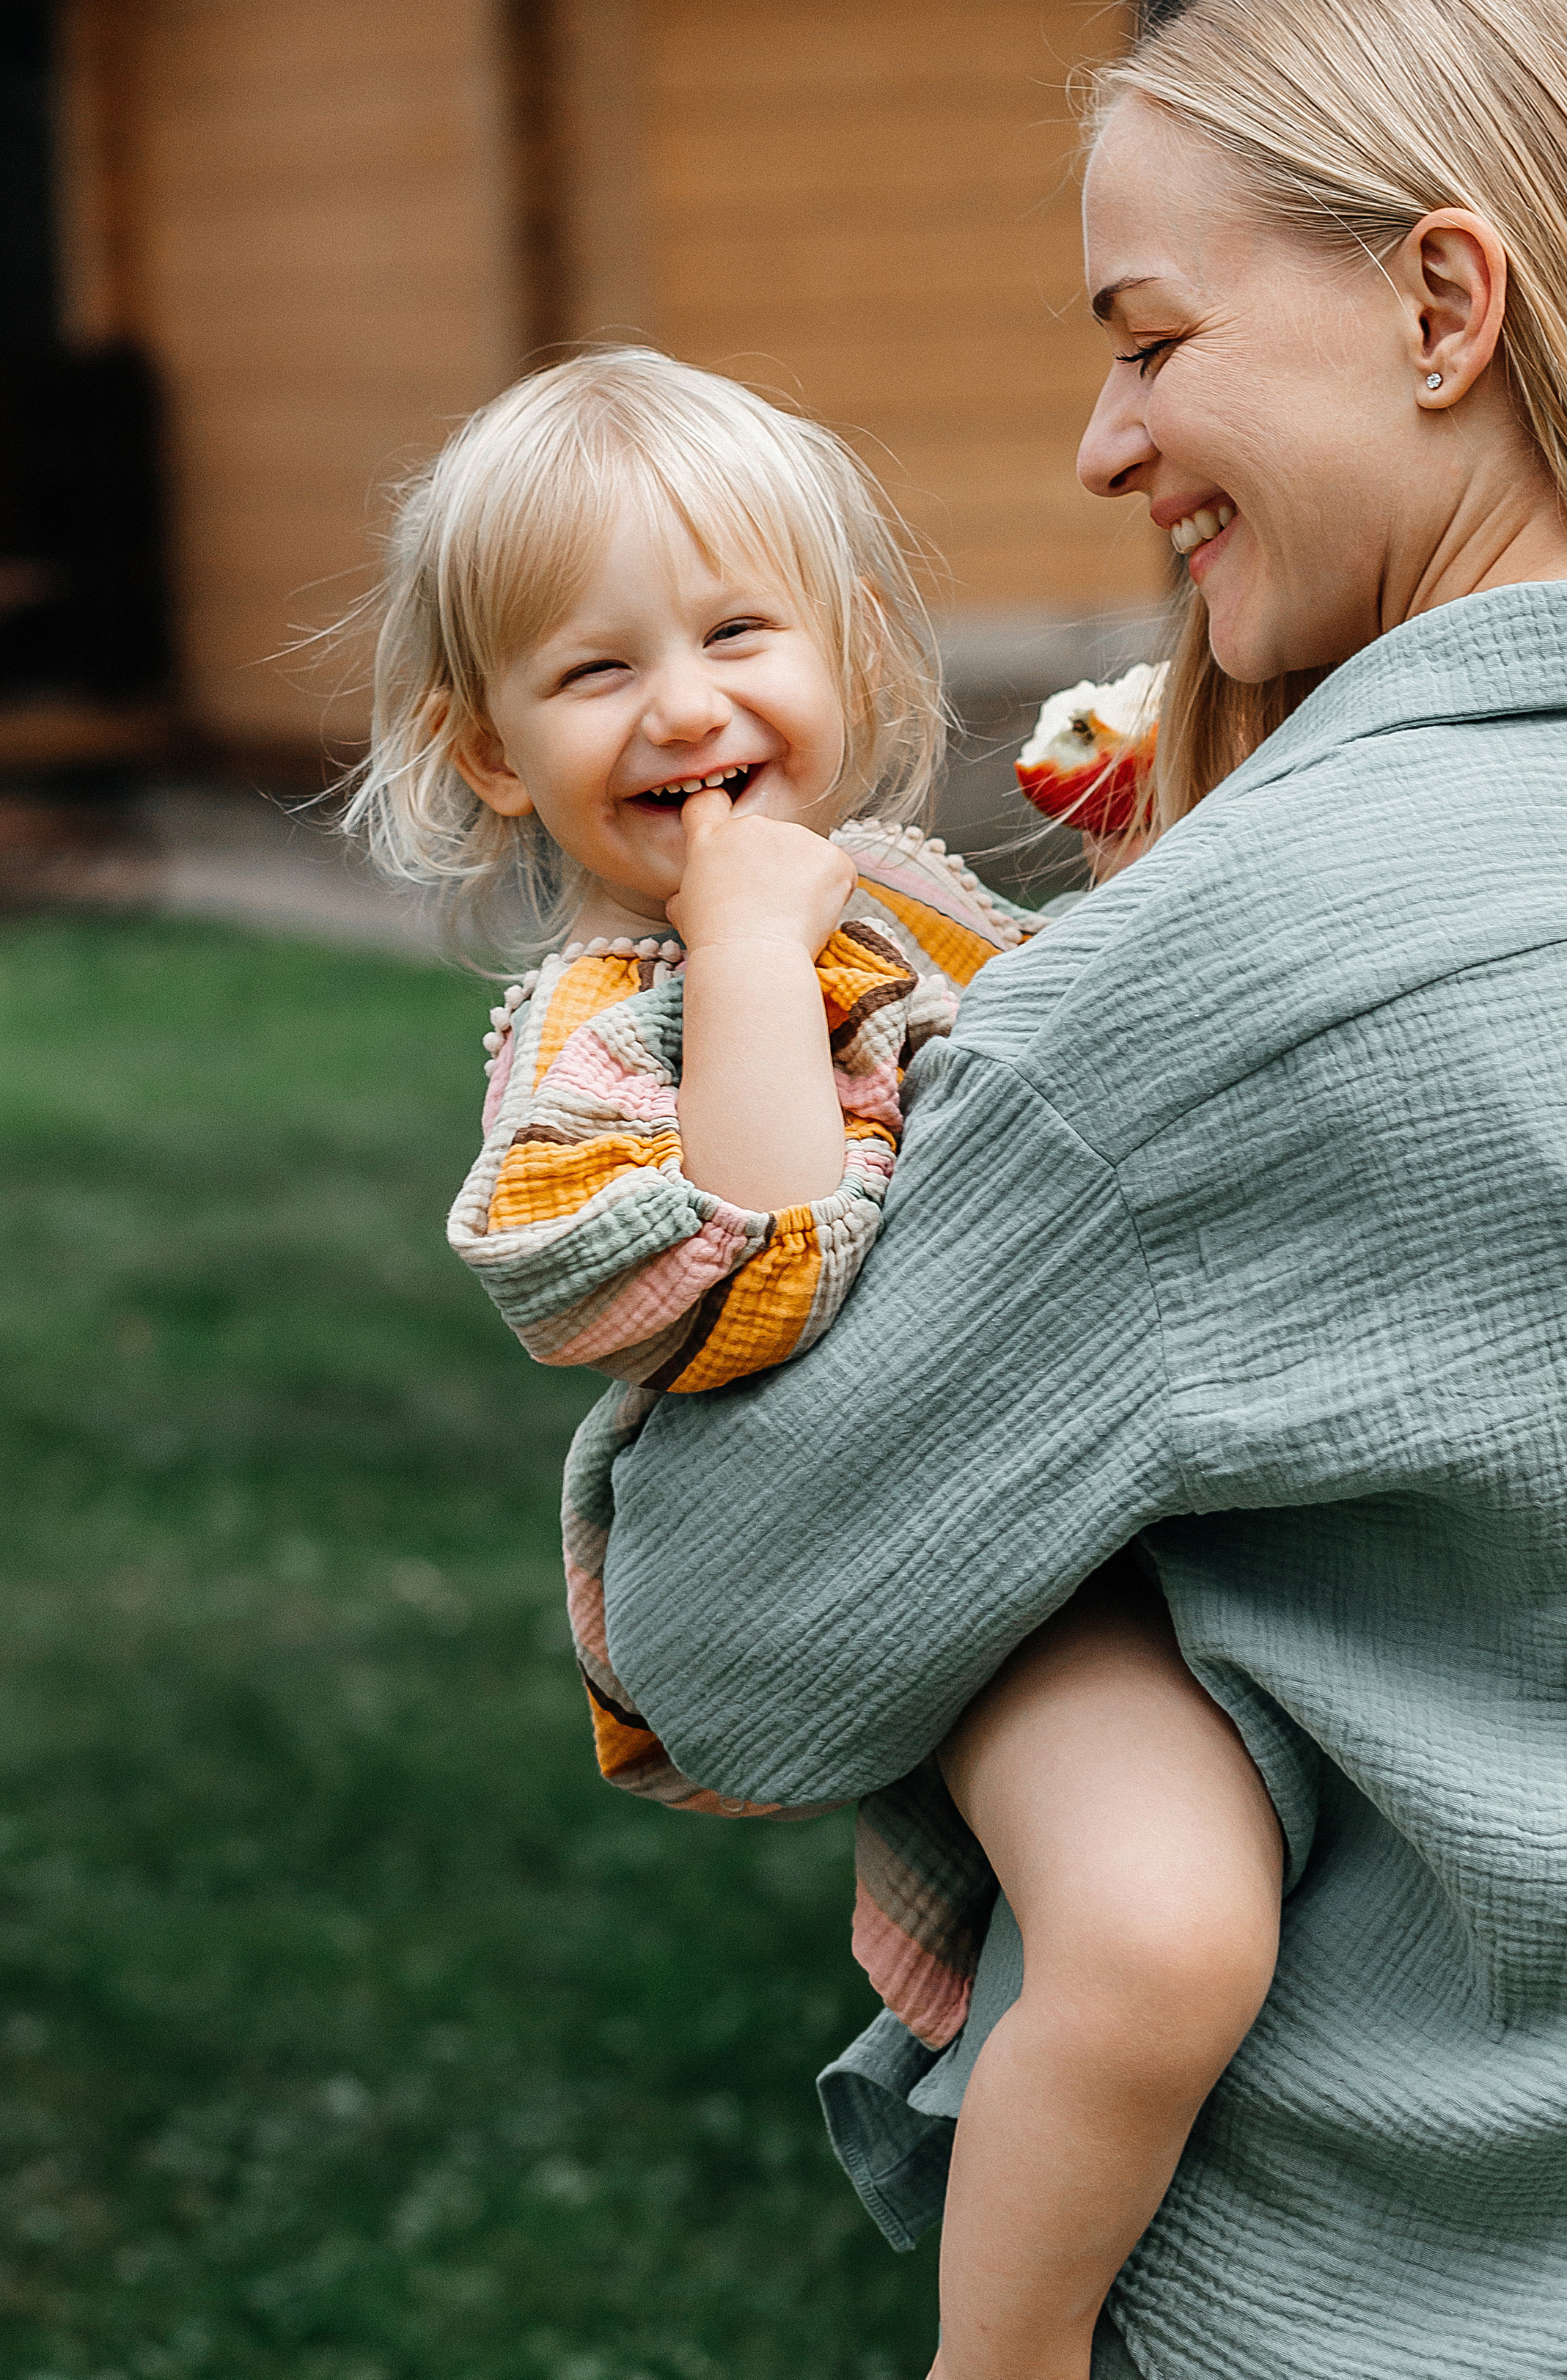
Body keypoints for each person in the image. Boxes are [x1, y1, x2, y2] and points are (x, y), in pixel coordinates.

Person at [591, 0, 1567, 2380]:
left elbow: (735, 1637)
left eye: (1152, 343)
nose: (1103, 443)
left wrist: (1037, 1563)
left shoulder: (1247, 972)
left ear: (1442, 306)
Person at [344, 348, 1290, 2373]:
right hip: (947, 1553)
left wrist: (1125, 886)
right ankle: (1007, 2354)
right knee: (1158, 1934)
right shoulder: (608, 1016)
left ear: (850, 656)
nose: (684, 706)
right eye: (594, 674)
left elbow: (1064, 1098)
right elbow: (751, 1273)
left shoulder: (906, 899)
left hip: (1096, 1474)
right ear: (493, 751)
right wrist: (757, 953)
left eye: (737, 633)